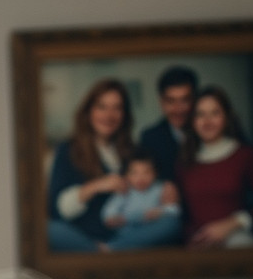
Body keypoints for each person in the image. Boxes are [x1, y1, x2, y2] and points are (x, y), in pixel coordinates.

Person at [178, 85, 253, 249]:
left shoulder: (245, 155)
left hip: (236, 239)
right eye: (200, 114)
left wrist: (232, 224)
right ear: (192, 121)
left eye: (215, 113)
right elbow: (183, 214)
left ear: (226, 117)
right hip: (197, 244)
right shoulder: (184, 161)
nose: (207, 121)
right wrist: (194, 238)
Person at [45, 78, 136, 253]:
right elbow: (57, 211)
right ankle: (102, 252)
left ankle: (111, 249)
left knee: (171, 223)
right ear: (89, 111)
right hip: (83, 237)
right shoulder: (68, 150)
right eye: (102, 107)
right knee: (49, 229)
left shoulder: (132, 151)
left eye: (117, 108)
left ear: (125, 114)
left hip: (125, 234)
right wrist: (97, 186)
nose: (109, 115)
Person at [99, 151, 181, 250]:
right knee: (122, 234)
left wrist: (161, 212)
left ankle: (114, 247)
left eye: (147, 172)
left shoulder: (160, 188)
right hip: (128, 231)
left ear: (156, 174)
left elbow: (175, 210)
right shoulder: (125, 190)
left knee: (172, 224)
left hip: (152, 230)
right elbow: (109, 212)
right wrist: (114, 219)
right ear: (126, 176)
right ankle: (116, 246)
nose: (141, 178)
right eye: (134, 173)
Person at [137, 65, 198, 184]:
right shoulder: (150, 138)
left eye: (185, 100)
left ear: (194, 100)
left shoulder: (207, 132)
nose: (178, 109)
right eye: (171, 101)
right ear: (161, 102)